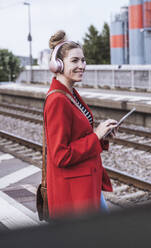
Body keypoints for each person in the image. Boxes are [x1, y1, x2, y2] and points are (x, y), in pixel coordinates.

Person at [44, 30, 118, 219]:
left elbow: (78, 136)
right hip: (74, 193)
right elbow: (60, 155)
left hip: (86, 185)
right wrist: (95, 136)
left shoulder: (71, 94)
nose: (82, 65)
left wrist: (102, 135)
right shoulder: (57, 101)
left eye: (83, 60)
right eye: (75, 61)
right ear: (57, 65)